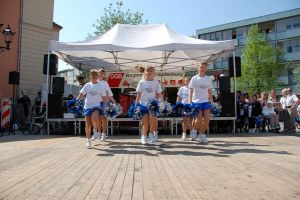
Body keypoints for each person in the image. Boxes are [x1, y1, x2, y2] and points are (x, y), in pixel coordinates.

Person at [76, 69, 106, 148]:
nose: (93, 77)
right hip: (87, 106)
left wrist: (107, 105)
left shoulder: (100, 86)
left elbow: (103, 96)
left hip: (96, 105)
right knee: (88, 124)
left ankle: (95, 131)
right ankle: (88, 140)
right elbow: (81, 94)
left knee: (95, 117)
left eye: (95, 75)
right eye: (92, 75)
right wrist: (76, 101)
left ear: (97, 76)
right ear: (90, 76)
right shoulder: (87, 85)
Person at [136, 66, 163, 144]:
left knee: (153, 120)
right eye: (147, 71)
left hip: (153, 105)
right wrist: (136, 105)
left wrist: (161, 102)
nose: (149, 72)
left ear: (153, 72)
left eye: (151, 71)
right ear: (145, 72)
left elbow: (159, 94)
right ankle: (144, 136)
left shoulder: (156, 82)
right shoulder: (141, 82)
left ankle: (151, 134)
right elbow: (139, 94)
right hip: (143, 104)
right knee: (145, 122)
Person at [189, 62, 213, 144]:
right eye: (201, 67)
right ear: (198, 68)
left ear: (206, 69)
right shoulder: (194, 78)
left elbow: (209, 90)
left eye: (204, 68)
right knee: (198, 119)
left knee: (207, 119)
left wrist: (212, 100)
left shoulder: (208, 79)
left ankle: (202, 135)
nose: (202, 69)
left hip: (206, 101)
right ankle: (194, 130)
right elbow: (191, 91)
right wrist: (190, 102)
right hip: (196, 102)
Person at [92, 68, 117, 141]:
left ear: (104, 75)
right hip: (95, 102)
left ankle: (103, 134)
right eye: (100, 72)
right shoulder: (93, 82)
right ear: (97, 73)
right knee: (96, 119)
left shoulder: (105, 83)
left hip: (104, 103)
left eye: (102, 73)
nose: (101, 74)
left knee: (104, 119)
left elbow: (109, 94)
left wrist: (114, 102)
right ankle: (97, 133)